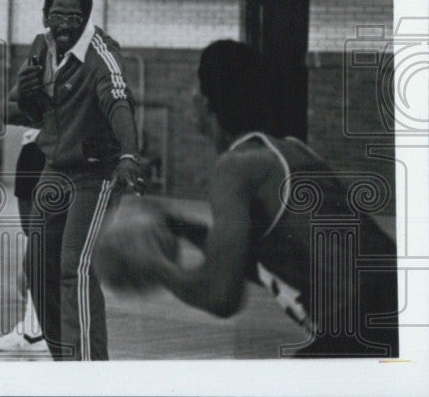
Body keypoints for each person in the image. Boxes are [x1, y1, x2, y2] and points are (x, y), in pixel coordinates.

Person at [126, 40, 400, 358]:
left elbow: (221, 297)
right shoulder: (293, 150)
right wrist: (180, 227)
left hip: (365, 321)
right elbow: (264, 261)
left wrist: (152, 265)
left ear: (203, 101)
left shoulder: (236, 167)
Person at [13, 0, 147, 361]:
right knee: (38, 268)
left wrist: (129, 155)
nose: (65, 24)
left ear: (86, 19)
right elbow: (30, 108)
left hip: (97, 173)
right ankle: (65, 361)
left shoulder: (102, 54)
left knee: (75, 267)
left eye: (74, 17)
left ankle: (89, 369)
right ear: (45, 15)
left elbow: (118, 101)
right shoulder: (42, 47)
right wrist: (27, 92)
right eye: (57, 15)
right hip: (55, 168)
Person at [0, 127, 48, 353]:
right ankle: (33, 326)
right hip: (32, 145)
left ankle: (37, 330)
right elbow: (11, 105)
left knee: (47, 241)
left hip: (58, 145)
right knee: (32, 238)